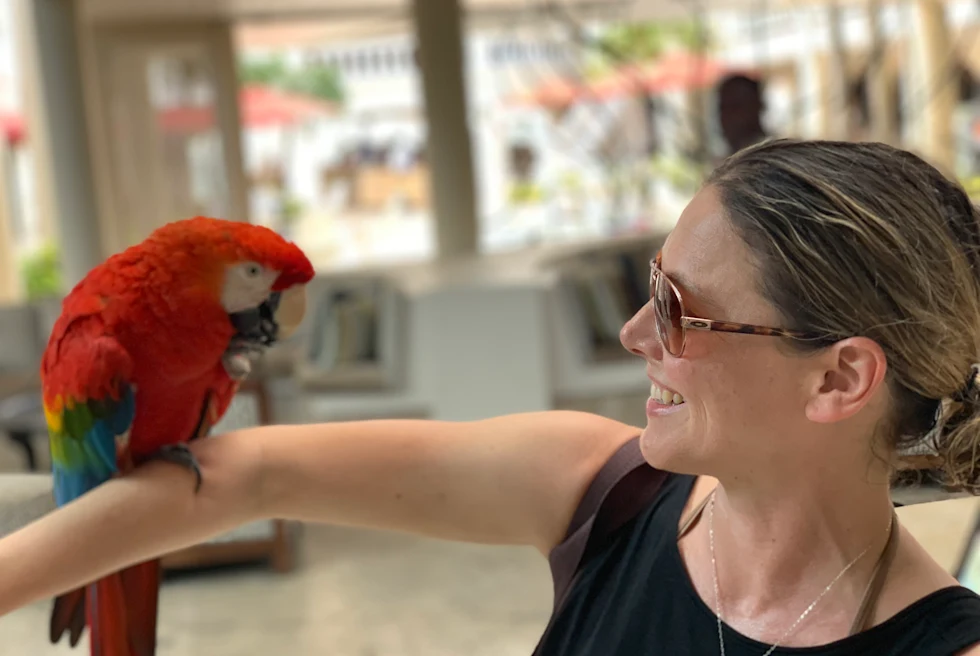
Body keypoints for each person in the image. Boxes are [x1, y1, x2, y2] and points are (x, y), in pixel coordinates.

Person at [3, 138, 980, 655]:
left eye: (680, 310)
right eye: (647, 290)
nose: (634, 335)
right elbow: (245, 471)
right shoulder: (599, 489)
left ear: (839, 376)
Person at [716, 74, 769, 156]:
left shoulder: (771, 156)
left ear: (757, 106)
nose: (728, 116)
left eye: (735, 107)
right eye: (723, 108)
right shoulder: (723, 161)